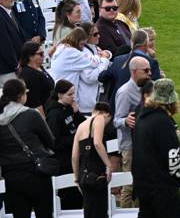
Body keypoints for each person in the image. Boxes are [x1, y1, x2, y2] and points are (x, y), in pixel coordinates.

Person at [0, 79, 55, 218]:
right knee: (44, 213)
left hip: (11, 175)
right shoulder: (31, 114)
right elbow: (50, 141)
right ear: (20, 96)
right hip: (36, 172)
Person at [132, 78, 180, 218]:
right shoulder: (163, 122)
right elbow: (173, 155)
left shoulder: (141, 119)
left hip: (143, 185)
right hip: (163, 189)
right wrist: (178, 180)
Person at [114, 56, 151, 208]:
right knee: (129, 185)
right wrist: (125, 121)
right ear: (134, 72)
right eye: (146, 71)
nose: (149, 73)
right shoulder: (124, 92)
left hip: (145, 144)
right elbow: (116, 120)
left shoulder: (149, 88)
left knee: (143, 183)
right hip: (129, 146)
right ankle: (125, 213)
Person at [45, 79, 85, 209]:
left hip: (73, 155)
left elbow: (82, 125)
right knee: (69, 196)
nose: (73, 97)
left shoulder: (69, 108)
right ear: (59, 95)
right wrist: (75, 138)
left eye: (74, 93)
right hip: (63, 161)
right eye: (70, 94)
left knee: (77, 194)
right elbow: (54, 141)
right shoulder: (54, 113)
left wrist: (76, 112)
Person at [49, 28, 110, 114]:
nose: (82, 48)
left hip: (61, 94)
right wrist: (103, 58)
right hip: (66, 97)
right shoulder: (72, 53)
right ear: (77, 41)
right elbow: (94, 63)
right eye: (82, 44)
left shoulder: (62, 47)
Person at [72, 101, 112, 218]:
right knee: (99, 211)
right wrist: (108, 165)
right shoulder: (100, 118)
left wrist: (76, 178)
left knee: (89, 211)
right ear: (107, 114)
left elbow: (74, 156)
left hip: (84, 177)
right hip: (96, 175)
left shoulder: (81, 126)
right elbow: (97, 143)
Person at [17, 42, 54, 116]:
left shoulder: (39, 67)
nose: (43, 56)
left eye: (43, 53)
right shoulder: (29, 75)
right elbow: (35, 103)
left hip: (50, 109)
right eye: (40, 54)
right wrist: (44, 122)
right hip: (43, 114)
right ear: (30, 56)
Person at [0, 0, 25, 85]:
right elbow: (4, 44)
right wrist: (16, 65)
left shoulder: (9, 12)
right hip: (7, 68)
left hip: (16, 63)